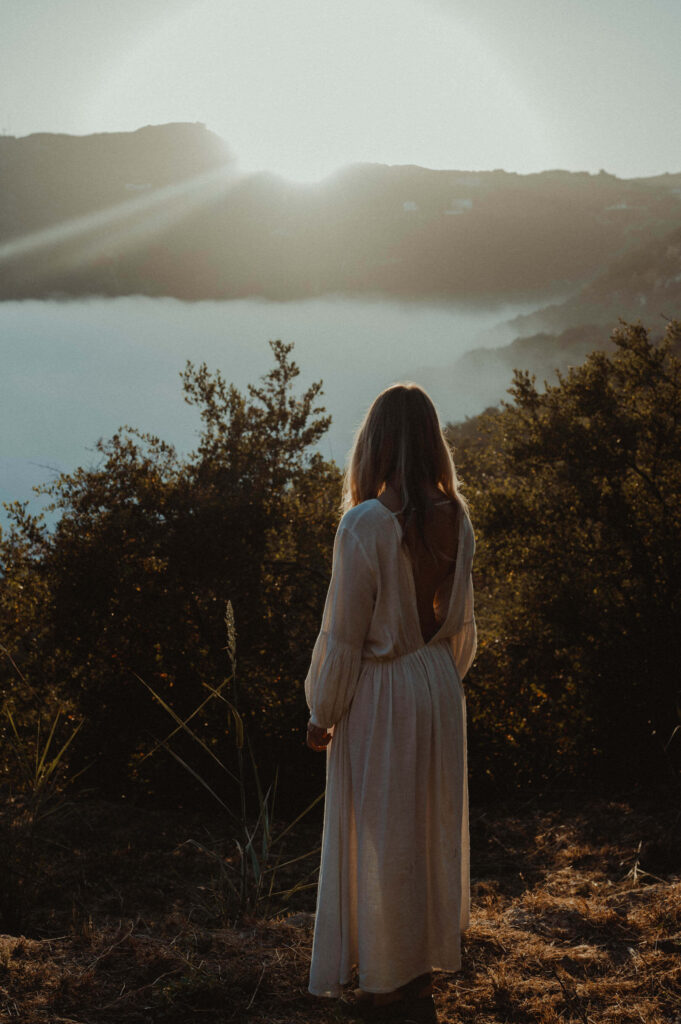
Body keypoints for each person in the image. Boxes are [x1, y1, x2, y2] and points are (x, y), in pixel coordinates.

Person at [304, 383, 476, 1022]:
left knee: (380, 835)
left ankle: (383, 985)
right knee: (424, 828)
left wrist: (322, 712)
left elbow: (344, 636)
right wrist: (437, 680)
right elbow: (461, 626)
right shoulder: (456, 515)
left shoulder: (364, 524)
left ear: (374, 443)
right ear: (431, 440)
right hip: (436, 683)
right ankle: (415, 972)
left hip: (385, 692)